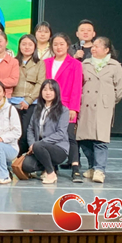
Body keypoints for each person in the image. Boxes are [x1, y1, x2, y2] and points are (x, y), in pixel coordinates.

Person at [76, 37, 122, 183]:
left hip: (102, 108)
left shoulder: (114, 66)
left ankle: (100, 170)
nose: (93, 48)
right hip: (86, 106)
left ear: (106, 50)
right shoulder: (85, 64)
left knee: (100, 140)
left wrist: (108, 101)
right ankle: (92, 167)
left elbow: (121, 88)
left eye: (97, 46)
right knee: (84, 140)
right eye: (93, 46)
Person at [43, 32, 83, 182]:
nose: (58, 47)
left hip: (67, 105)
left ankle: (75, 168)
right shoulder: (46, 63)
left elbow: (77, 88)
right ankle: (52, 167)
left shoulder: (75, 64)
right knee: (50, 134)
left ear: (67, 46)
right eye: (55, 44)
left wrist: (74, 108)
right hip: (49, 105)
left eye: (61, 44)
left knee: (70, 136)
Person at [21, 80, 70, 184]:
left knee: (39, 145)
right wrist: (32, 145)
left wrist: (39, 144)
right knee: (27, 166)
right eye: (45, 90)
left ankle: (50, 173)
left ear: (56, 92)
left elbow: (61, 133)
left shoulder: (64, 110)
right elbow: (30, 129)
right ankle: (46, 166)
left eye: (51, 90)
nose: (48, 93)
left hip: (58, 148)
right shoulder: (37, 109)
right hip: (39, 148)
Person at [12, 34, 45, 154]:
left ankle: (24, 160)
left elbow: (40, 83)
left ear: (35, 47)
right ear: (19, 46)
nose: (27, 47)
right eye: (24, 44)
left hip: (31, 103)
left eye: (30, 44)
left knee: (26, 133)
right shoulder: (13, 61)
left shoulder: (40, 63)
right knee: (14, 133)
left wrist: (28, 100)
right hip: (13, 102)